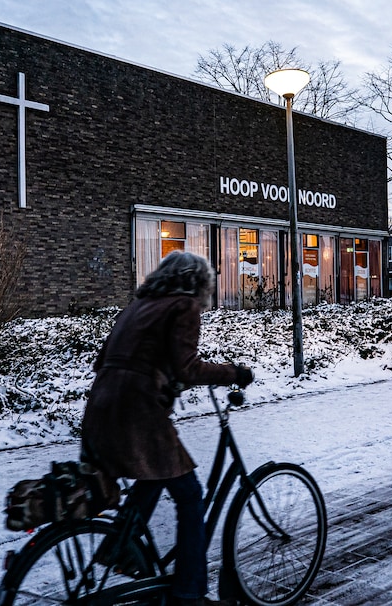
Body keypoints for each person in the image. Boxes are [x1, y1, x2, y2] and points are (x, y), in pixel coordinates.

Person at [81, 251, 253, 606]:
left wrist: (162, 378)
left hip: (101, 408)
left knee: (153, 477)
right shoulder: (183, 307)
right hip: (139, 412)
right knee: (189, 496)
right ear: (197, 282)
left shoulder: (136, 306)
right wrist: (233, 373)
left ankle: (122, 551)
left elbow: (110, 360)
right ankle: (189, 593)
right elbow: (187, 368)